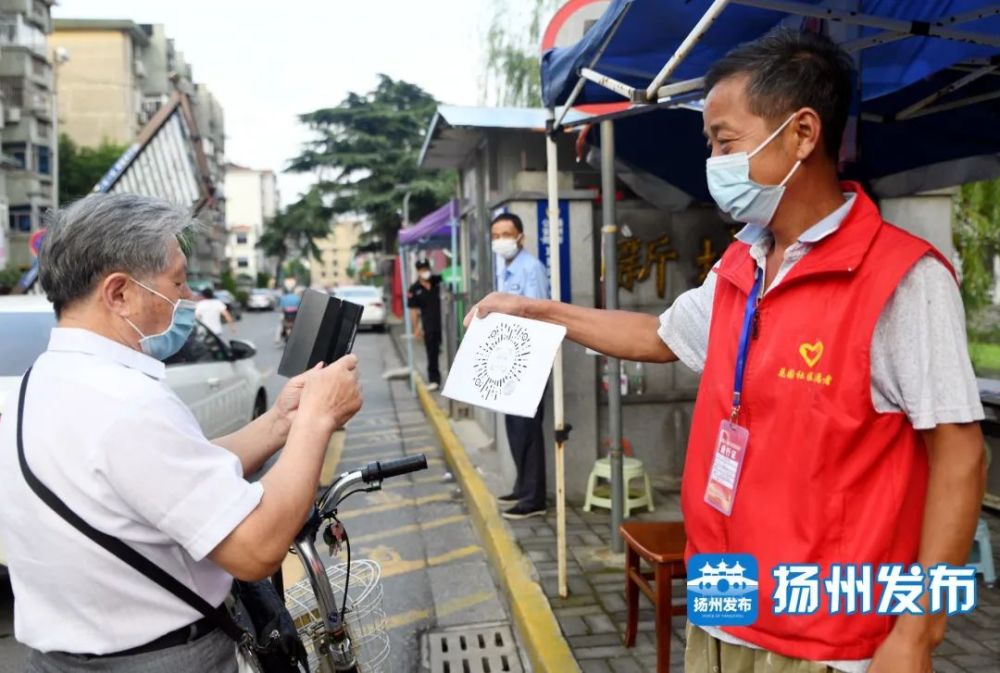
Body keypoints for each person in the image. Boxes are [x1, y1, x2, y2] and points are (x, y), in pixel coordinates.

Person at [469, 29, 985, 673]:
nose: (712, 161)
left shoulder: (903, 280)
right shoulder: (745, 261)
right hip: (725, 598)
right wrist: (536, 310)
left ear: (801, 134)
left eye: (724, 141)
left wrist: (918, 633)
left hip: (827, 635)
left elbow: (961, 457)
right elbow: (657, 337)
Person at [0, 194, 363, 672]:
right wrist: (317, 421)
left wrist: (280, 423)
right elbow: (255, 549)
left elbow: (163, 478)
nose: (190, 298)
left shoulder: (43, 381)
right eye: (178, 281)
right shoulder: (125, 401)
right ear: (119, 293)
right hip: (161, 660)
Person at [488, 212, 552, 521]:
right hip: (508, 358)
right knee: (514, 428)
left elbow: (539, 314)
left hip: (529, 358)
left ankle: (534, 497)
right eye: (496, 235)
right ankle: (521, 485)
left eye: (506, 234)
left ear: (520, 237)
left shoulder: (531, 268)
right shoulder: (504, 267)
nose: (501, 240)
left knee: (528, 430)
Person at [408, 259, 443, 391]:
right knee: (432, 353)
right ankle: (434, 380)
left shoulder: (438, 281)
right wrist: (416, 328)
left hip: (445, 323)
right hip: (429, 325)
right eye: (422, 270)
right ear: (418, 271)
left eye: (426, 269)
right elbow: (413, 311)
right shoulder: (414, 289)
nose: (425, 272)